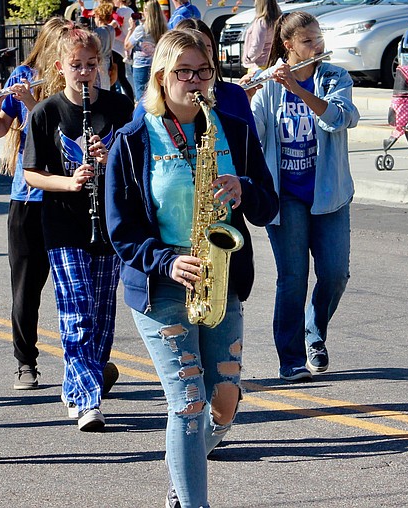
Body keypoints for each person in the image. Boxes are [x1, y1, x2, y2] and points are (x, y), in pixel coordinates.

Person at [105, 29, 278, 508]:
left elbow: (267, 206)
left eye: (204, 71)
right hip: (164, 282)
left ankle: (181, 478)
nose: (196, 81)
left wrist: (243, 186)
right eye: (184, 72)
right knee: (187, 403)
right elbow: (121, 233)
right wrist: (165, 259)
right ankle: (192, 498)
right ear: (161, 77)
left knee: (223, 404)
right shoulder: (133, 140)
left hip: (220, 275)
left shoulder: (235, 130)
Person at [22, 27, 134, 431]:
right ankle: (88, 399)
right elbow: (32, 174)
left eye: (92, 65)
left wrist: (111, 158)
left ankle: (80, 379)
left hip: (110, 222)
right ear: (60, 68)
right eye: (76, 66)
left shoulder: (121, 108)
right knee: (78, 308)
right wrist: (69, 181)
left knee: (102, 313)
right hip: (64, 222)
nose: (85, 73)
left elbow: (138, 163)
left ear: (102, 66)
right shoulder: (46, 112)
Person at [251, 11, 359, 381]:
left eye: (319, 38)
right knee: (292, 277)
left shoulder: (334, 77)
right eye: (308, 41)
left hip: (328, 193)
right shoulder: (269, 85)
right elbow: (253, 134)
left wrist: (299, 90)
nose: (318, 46)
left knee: (335, 273)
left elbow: (341, 118)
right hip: (286, 197)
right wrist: (245, 95)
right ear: (289, 46)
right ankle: (292, 357)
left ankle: (315, 330)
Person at [0, 17, 70, 390]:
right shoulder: (22, 73)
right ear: (50, 47)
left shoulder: (73, 79)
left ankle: (81, 358)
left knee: (73, 283)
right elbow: (2, 128)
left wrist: (33, 102)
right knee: (26, 285)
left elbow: (57, 132)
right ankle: (25, 361)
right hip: (28, 195)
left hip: (66, 192)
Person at [173, 18, 257, 132]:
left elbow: (251, 145)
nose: (200, 57)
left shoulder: (234, 95)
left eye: (206, 50)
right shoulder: (151, 105)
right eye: (192, 49)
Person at [128, 0, 168, 103]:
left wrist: (131, 28)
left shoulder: (141, 29)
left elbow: (127, 45)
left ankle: (142, 118)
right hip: (158, 64)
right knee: (157, 96)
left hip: (142, 65)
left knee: (141, 98)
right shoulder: (164, 27)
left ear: (146, 11)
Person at [242, 0, 282, 71]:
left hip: (259, 65)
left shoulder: (261, 22)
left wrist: (249, 57)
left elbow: (257, 45)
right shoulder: (279, 20)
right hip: (275, 62)